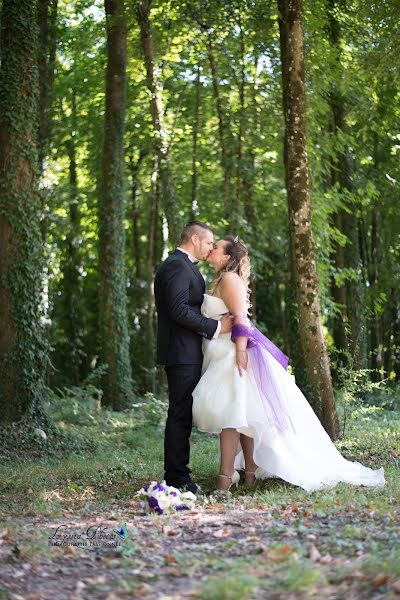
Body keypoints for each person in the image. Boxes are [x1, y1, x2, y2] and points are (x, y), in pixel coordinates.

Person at [192, 236, 385, 492]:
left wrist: (240, 351)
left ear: (227, 256)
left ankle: (224, 482)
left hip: (232, 353)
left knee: (232, 417)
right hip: (220, 351)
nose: (211, 249)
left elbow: (241, 319)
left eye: (216, 247)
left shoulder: (229, 279)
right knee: (241, 414)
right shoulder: (223, 278)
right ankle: (248, 473)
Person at [154, 221, 233, 493]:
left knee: (182, 412)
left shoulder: (184, 266)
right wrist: (216, 327)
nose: (211, 248)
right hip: (180, 351)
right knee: (179, 414)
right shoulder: (177, 265)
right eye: (209, 242)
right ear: (195, 240)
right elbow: (177, 309)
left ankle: (178, 472)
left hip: (187, 350)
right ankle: (177, 477)